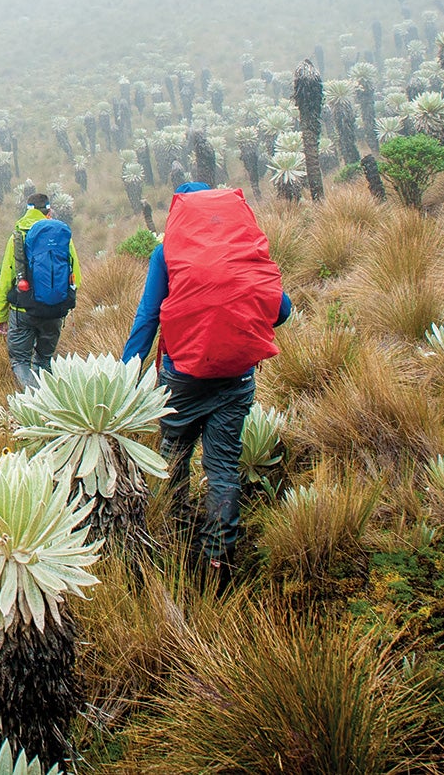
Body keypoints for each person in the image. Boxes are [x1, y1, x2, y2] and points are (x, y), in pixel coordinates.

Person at [123, 182, 292, 585]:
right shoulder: (241, 248)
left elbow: (149, 317)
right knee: (222, 467)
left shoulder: (167, 252)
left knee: (174, 457)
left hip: (182, 378)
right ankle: (218, 559)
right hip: (236, 377)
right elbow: (280, 310)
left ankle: (177, 537)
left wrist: (126, 372)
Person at [0, 192, 80, 390]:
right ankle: (49, 400)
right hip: (55, 310)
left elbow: (6, 279)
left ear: (27, 210)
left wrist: (0, 314)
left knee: (21, 361)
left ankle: (34, 401)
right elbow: (76, 277)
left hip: (23, 311)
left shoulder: (17, 236)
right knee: (44, 359)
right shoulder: (60, 236)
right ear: (48, 211)